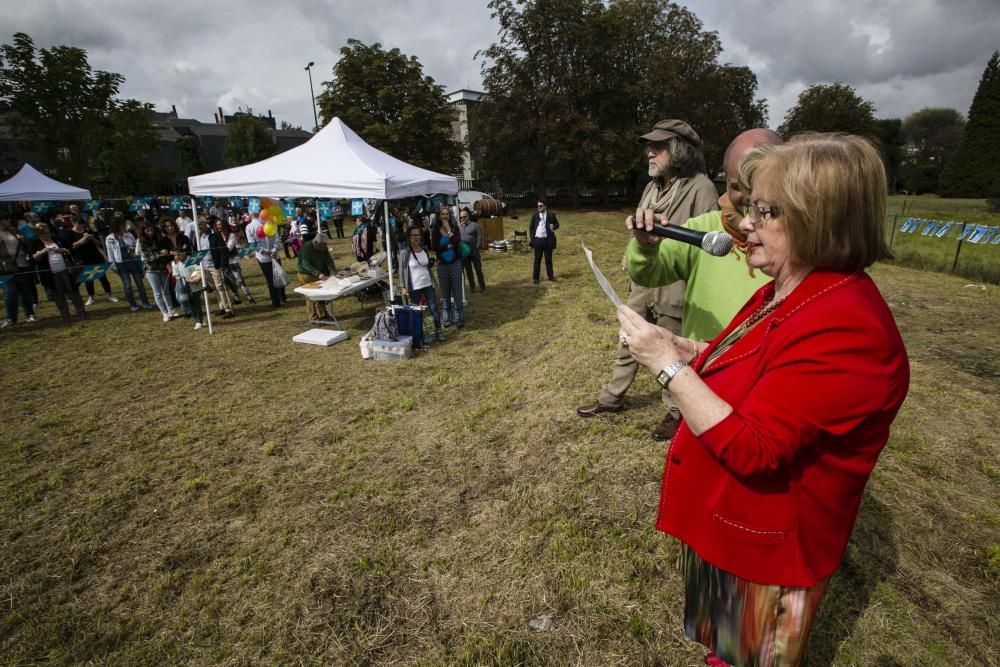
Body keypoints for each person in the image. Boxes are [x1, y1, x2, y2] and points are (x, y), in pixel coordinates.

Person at [617, 133, 910, 666]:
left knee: (743, 659)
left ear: (816, 220)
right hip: (733, 530)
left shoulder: (845, 325)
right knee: (722, 650)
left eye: (765, 211)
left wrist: (667, 364)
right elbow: (762, 362)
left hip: (765, 549)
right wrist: (693, 348)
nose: (745, 223)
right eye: (749, 205)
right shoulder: (789, 288)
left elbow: (756, 448)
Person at [576, 119, 719, 441]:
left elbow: (707, 241)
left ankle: (675, 411)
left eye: (658, 146)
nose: (649, 153)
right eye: (649, 146)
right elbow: (640, 229)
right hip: (644, 284)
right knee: (628, 338)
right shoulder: (652, 187)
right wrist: (633, 252)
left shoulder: (702, 187)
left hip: (676, 285)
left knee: (670, 349)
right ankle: (611, 399)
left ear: (679, 150)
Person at [30, 223, 86, 321]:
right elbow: (32, 258)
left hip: (66, 270)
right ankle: (65, 315)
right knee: (58, 294)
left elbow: (70, 250)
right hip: (50, 273)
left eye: (48, 232)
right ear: (39, 234)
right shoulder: (34, 243)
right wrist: (42, 252)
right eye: (44, 233)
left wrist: (63, 250)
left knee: (73, 291)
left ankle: (81, 311)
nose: (47, 235)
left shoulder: (58, 239)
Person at [399, 225, 443, 341]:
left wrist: (432, 263)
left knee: (433, 308)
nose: (416, 237)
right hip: (414, 286)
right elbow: (401, 270)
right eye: (413, 235)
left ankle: (439, 331)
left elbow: (426, 265)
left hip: (428, 284)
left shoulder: (424, 249)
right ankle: (417, 335)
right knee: (415, 311)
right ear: (409, 237)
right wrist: (403, 286)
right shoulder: (405, 253)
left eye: (418, 234)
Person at [105, 216, 152, 312]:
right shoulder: (109, 238)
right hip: (121, 264)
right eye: (123, 225)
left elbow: (137, 247)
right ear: (117, 226)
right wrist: (112, 266)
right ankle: (133, 305)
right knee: (127, 285)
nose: (125, 226)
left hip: (133, 262)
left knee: (140, 283)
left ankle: (145, 303)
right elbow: (109, 252)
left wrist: (133, 248)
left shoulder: (129, 235)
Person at [68, 217, 117, 305]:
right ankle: (91, 297)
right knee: (88, 279)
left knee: (103, 277)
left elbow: (99, 244)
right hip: (84, 259)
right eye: (79, 224)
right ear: (73, 223)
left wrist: (92, 239)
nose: (81, 226)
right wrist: (84, 239)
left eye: (82, 224)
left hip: (96, 257)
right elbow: (73, 247)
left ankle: (110, 295)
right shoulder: (70, 233)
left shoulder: (88, 230)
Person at [0, 213, 37, 327]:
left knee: (25, 291)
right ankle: (11, 318)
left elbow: (26, 243)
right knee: (10, 292)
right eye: (6, 219)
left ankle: (30, 314)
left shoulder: (14, 230)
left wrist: (23, 239)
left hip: (22, 264)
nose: (9, 221)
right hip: (6, 268)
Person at [136, 223, 178, 322]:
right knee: (157, 293)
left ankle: (171, 310)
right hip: (151, 270)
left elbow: (165, 250)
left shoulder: (158, 239)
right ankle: (164, 312)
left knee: (166, 291)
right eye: (148, 230)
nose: (150, 232)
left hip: (162, 268)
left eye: (151, 230)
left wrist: (165, 252)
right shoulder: (141, 241)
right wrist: (159, 254)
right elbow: (146, 257)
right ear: (144, 231)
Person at [432, 205, 465, 329]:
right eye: (442, 214)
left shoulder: (455, 228)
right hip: (442, 265)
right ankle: (447, 319)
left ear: (450, 215)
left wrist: (448, 229)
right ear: (439, 217)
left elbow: (457, 242)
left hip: (455, 263)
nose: (445, 216)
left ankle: (459, 318)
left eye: (447, 214)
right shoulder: (435, 231)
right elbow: (435, 247)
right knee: (445, 293)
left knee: (457, 291)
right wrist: (447, 246)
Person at [245, 212, 286, 307]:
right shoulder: (255, 225)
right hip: (270, 255)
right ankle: (282, 298)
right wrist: (273, 250)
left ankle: (277, 300)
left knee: (271, 279)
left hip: (265, 256)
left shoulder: (252, 226)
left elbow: (252, 244)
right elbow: (276, 238)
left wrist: (267, 251)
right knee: (278, 276)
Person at [296, 233, 336, 323]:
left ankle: (323, 315)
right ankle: (313, 318)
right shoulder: (307, 247)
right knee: (310, 296)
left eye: (325, 245)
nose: (324, 248)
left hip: (317, 273)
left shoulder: (323, 246)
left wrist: (333, 271)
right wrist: (318, 274)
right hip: (305, 274)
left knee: (321, 294)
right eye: (322, 246)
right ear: (316, 243)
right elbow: (306, 264)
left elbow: (328, 259)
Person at [201, 217, 234, 318]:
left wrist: (222, 265)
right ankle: (222, 307)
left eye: (202, 224)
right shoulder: (197, 237)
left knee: (221, 287)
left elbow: (223, 250)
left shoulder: (215, 235)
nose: (200, 226)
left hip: (215, 265)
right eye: (198, 225)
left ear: (206, 224)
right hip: (204, 266)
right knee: (214, 288)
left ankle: (228, 309)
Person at [170, 249, 206, 330]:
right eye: (175, 255)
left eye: (178, 255)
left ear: (184, 253)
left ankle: (199, 321)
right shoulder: (175, 264)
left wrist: (196, 278)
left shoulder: (191, 260)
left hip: (195, 287)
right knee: (189, 304)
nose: (176, 257)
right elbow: (176, 275)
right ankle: (198, 319)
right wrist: (185, 280)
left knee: (196, 304)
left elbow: (199, 270)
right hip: (185, 288)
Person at [223, 224, 255, 305]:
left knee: (240, 280)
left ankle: (249, 297)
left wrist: (220, 251)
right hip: (225, 262)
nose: (219, 227)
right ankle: (236, 298)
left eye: (220, 225)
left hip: (233, 261)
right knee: (230, 281)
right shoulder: (218, 236)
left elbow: (229, 248)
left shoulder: (231, 235)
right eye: (217, 225)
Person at [528, 199, 559, 284]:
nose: (539, 208)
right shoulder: (535, 215)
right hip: (537, 240)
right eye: (538, 206)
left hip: (548, 241)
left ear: (545, 206)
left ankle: (551, 277)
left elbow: (557, 224)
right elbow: (531, 227)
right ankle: (536, 278)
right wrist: (533, 239)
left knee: (548, 260)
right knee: (537, 260)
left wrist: (554, 227)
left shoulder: (550, 215)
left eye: (541, 206)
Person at [459, 208, 486, 294]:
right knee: (469, 271)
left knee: (478, 270)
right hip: (465, 254)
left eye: (464, 216)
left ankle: (483, 287)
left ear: (468, 216)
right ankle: (472, 288)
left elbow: (479, 237)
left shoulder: (475, 225)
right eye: (461, 217)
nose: (463, 218)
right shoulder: (459, 227)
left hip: (474, 252)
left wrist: (477, 247)